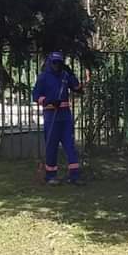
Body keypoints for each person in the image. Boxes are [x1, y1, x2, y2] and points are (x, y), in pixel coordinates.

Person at [33, 52, 83, 185]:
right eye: (55, 63)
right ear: (50, 63)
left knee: (70, 145)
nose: (57, 65)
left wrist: (71, 75)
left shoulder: (65, 76)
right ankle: (50, 176)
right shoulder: (43, 77)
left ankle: (75, 176)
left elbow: (78, 88)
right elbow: (36, 96)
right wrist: (48, 101)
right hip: (51, 116)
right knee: (51, 146)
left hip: (65, 116)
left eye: (59, 63)